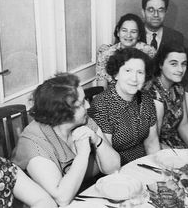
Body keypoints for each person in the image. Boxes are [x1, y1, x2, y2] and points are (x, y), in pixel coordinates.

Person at [12, 73, 120, 206]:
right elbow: (62, 198)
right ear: (62, 114)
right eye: (81, 103)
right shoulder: (33, 143)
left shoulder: (83, 120)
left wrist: (97, 140)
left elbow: (114, 168)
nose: (88, 106)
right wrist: (82, 154)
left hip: (88, 195)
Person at [89, 48, 161, 165]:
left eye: (140, 72)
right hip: (117, 170)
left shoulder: (146, 99)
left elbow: (152, 143)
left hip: (143, 164)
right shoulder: (101, 106)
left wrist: (156, 170)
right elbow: (107, 160)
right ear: (116, 74)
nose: (134, 78)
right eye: (128, 71)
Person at [145, 45, 188, 149]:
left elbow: (184, 125)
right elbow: (152, 141)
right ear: (160, 64)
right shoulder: (151, 92)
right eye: (174, 64)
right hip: (155, 147)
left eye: (184, 64)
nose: (180, 69)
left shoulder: (178, 88)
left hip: (175, 143)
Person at [96, 13, 156, 89]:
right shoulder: (105, 53)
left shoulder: (149, 52)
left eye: (133, 32)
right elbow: (101, 87)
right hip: (113, 97)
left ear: (139, 35)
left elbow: (151, 82)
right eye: (124, 30)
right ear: (118, 32)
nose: (128, 35)